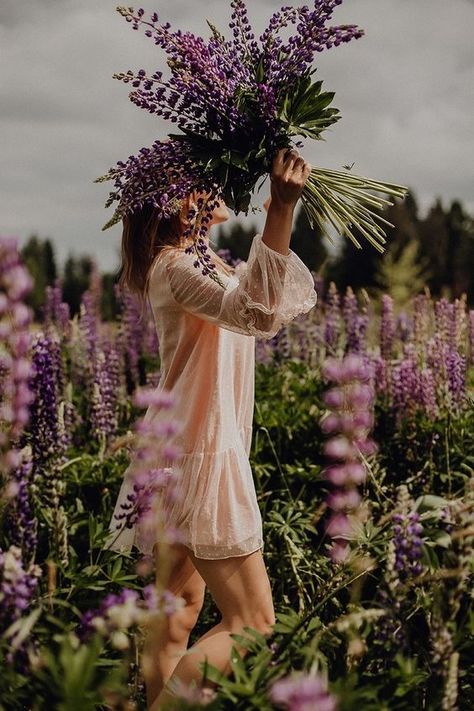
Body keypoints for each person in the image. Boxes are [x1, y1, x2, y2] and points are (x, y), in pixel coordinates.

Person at [106, 147, 317, 709]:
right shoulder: (177, 267)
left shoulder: (198, 265)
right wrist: (280, 212)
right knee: (253, 623)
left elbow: (260, 302)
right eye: (201, 178)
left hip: (172, 454)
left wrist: (279, 202)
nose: (217, 182)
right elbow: (257, 313)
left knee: (174, 622)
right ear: (176, 206)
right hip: (200, 455)